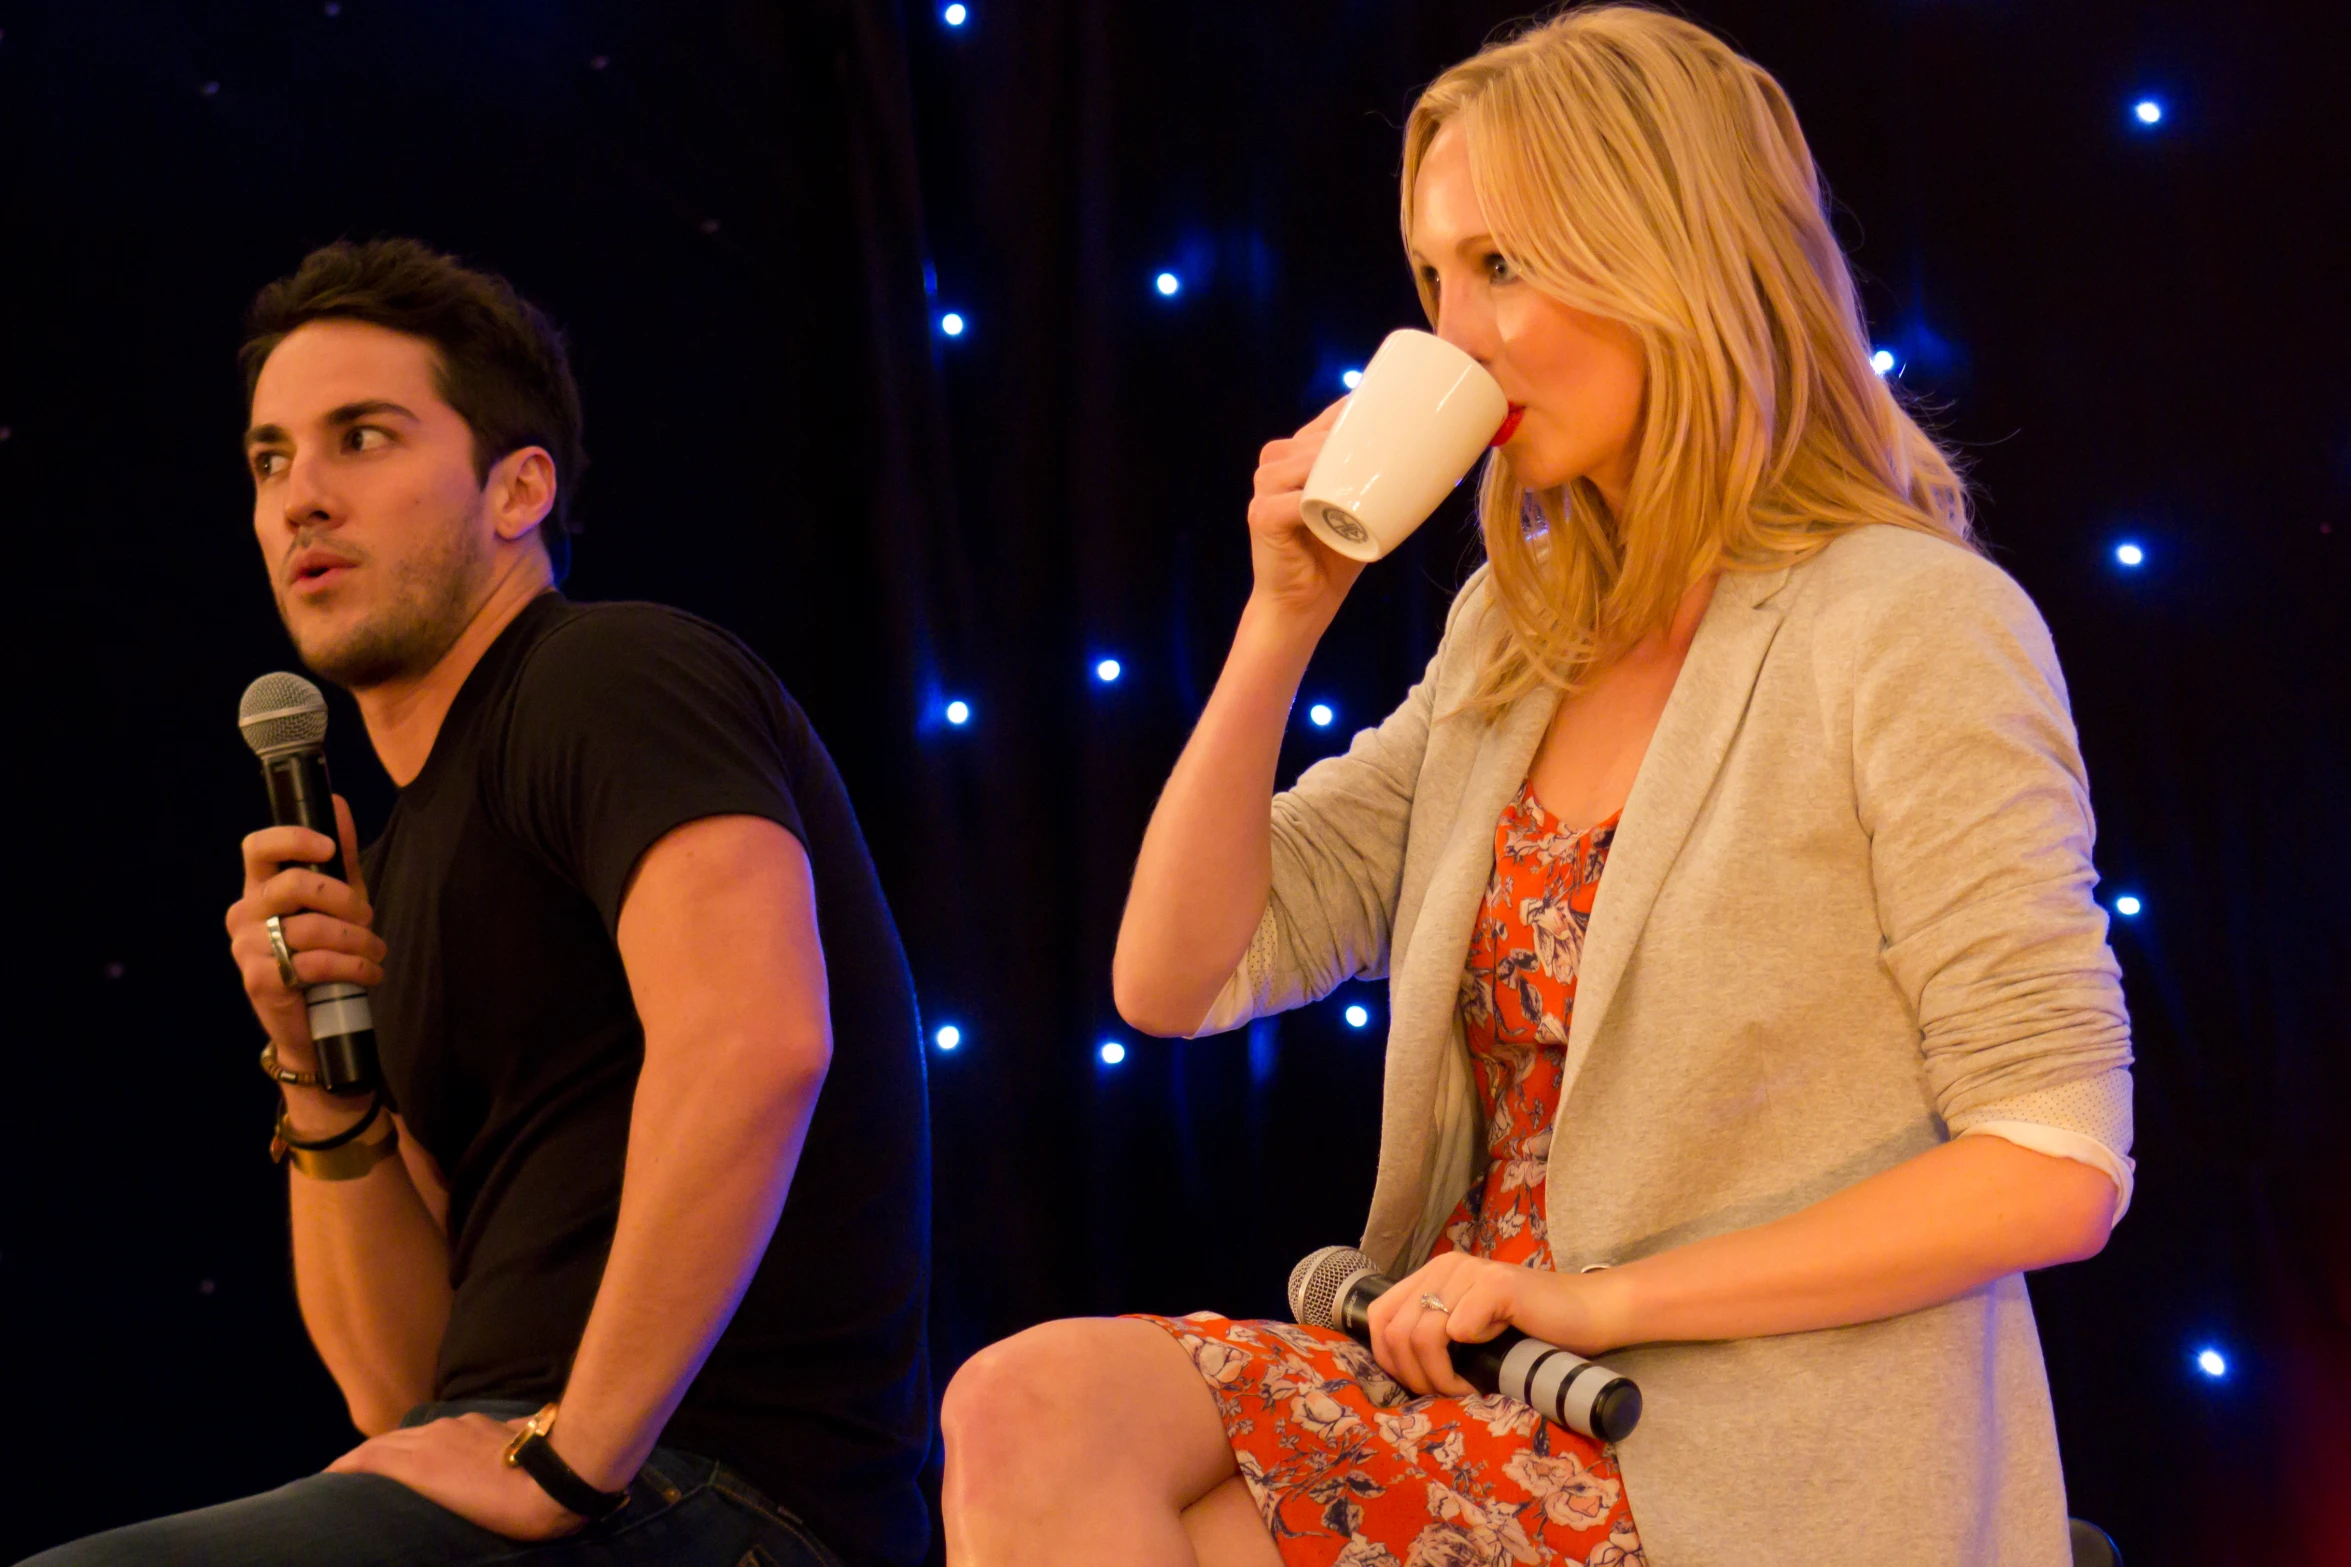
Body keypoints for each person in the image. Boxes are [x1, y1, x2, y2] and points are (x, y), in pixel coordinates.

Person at [938, 7, 2134, 1565]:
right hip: (1483, 1391)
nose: (1455, 336)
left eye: (1502, 266)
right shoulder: (1520, 625)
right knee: (1030, 1406)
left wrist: (1595, 1302)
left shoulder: (1907, 623)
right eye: (1433, 278)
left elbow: (2052, 1167)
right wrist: (1279, 621)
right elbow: (1177, 973)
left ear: (1678, 262)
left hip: (1743, 1443)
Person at [24, 239, 931, 1567]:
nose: (301, 499)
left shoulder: (611, 677)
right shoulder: (385, 873)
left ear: (518, 488)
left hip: (725, 1498)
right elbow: (406, 1396)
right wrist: (316, 1076)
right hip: (558, 1474)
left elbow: (758, 1041)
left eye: (363, 438)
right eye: (271, 458)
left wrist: (569, 1458)